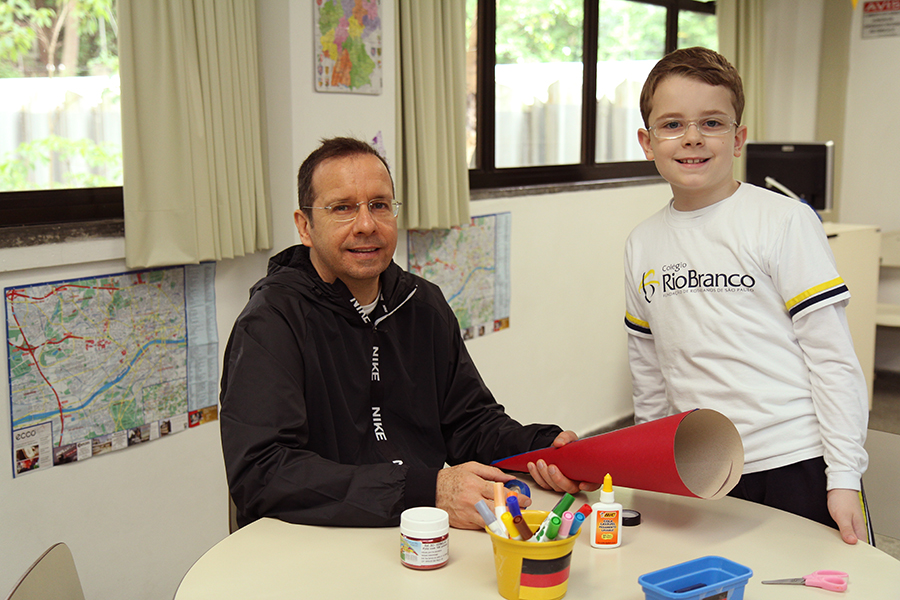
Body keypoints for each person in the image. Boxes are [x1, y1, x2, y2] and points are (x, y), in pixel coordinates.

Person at [220, 136, 595, 530]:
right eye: (342, 208)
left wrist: (540, 450)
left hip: (418, 531)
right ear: (305, 226)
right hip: (312, 538)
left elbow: (469, 422)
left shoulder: (422, 304)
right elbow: (263, 473)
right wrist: (425, 490)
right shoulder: (271, 321)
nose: (366, 225)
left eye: (379, 205)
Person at [623, 47, 868, 545]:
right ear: (648, 142)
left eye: (712, 122)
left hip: (795, 459)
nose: (692, 137)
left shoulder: (784, 220)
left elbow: (833, 359)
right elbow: (648, 369)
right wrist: (652, 462)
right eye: (673, 124)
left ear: (738, 139)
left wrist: (843, 475)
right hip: (701, 464)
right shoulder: (640, 242)